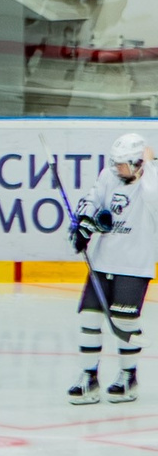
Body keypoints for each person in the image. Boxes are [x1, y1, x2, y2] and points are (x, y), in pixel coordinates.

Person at [68, 131, 154, 404]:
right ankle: (88, 377)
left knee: (124, 321)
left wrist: (149, 164)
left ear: (138, 163)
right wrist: (84, 224)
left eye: (122, 164)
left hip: (133, 265)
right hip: (103, 261)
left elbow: (152, 195)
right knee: (89, 317)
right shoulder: (110, 176)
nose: (116, 168)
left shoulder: (151, 182)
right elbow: (93, 199)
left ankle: (128, 378)